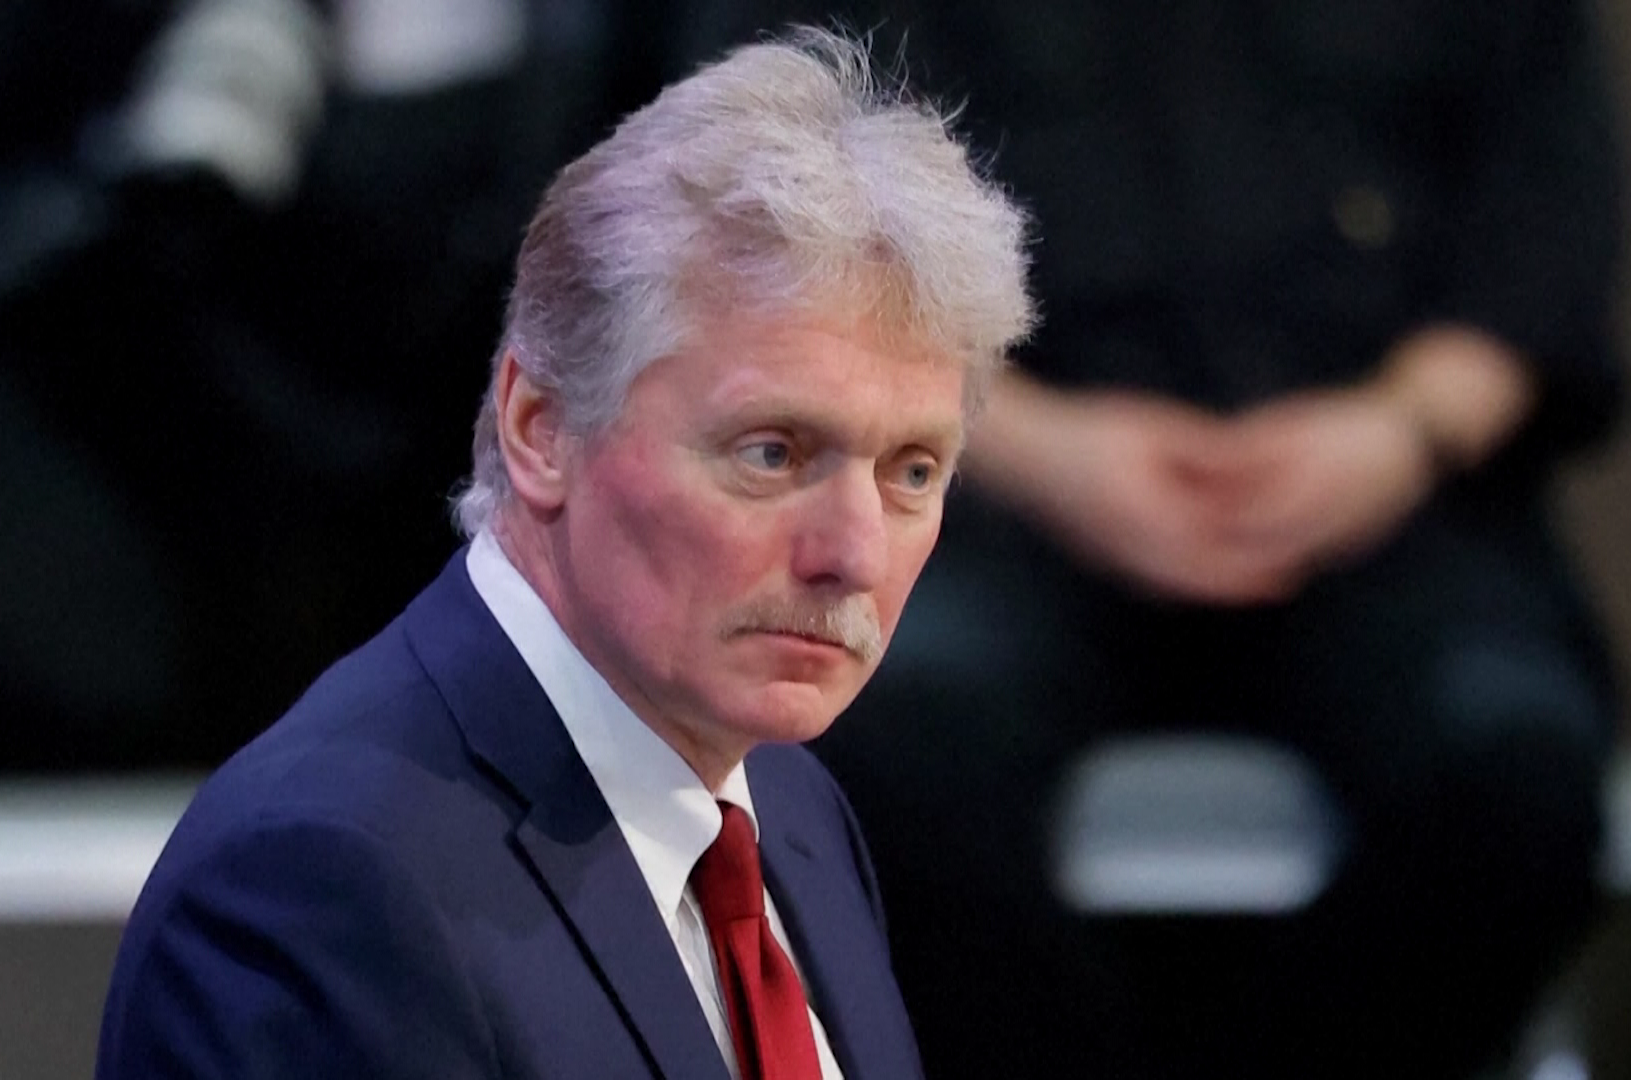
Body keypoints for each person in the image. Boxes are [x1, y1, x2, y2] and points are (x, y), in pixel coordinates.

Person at [674, 3, 1630, 1077]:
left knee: (1517, 765)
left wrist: (1400, 430)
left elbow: (1544, 235)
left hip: (1384, 499)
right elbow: (765, 212)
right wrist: (1028, 445)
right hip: (970, 486)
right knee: (862, 746)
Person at [95, 27, 1033, 1078]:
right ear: (541, 430)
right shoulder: (315, 886)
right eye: (772, 453)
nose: (852, 553)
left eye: (913, 471)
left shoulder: (793, 805)